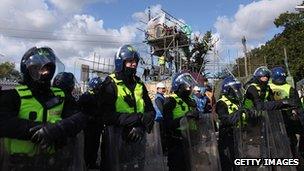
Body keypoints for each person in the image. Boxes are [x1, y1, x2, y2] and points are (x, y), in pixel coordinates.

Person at [0, 47, 87, 170]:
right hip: (19, 163)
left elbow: (80, 118)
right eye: (39, 69)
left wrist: (58, 129)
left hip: (54, 161)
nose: (45, 73)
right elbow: (3, 122)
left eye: (48, 69)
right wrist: (38, 130)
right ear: (27, 69)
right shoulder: (13, 95)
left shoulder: (60, 95)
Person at [98, 44, 155, 170]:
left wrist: (141, 126)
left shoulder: (140, 84)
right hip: (116, 140)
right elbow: (106, 116)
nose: (134, 64)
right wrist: (138, 119)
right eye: (130, 61)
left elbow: (151, 111)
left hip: (138, 138)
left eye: (135, 61)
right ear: (120, 62)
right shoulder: (110, 84)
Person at [163, 72, 198, 171]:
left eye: (190, 87)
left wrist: (197, 116)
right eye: (187, 86)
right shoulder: (170, 101)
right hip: (177, 142)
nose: (189, 89)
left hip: (192, 140)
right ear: (179, 86)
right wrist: (184, 118)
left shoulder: (191, 100)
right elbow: (167, 124)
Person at [269, 66, 304, 157]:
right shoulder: (289, 88)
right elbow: (298, 106)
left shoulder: (268, 87)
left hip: (279, 117)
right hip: (282, 117)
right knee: (290, 140)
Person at [216, 77, 245, 171]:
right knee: (228, 164)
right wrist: (239, 113)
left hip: (239, 136)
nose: (238, 92)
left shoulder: (238, 102)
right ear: (228, 91)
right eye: (235, 90)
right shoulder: (221, 103)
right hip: (227, 137)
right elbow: (224, 119)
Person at [79, 77, 103, 169]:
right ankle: (86, 163)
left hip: (97, 125)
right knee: (87, 145)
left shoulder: (100, 97)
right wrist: (88, 117)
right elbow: (80, 109)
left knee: (95, 145)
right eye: (99, 87)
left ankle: (92, 163)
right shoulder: (86, 96)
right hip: (89, 126)